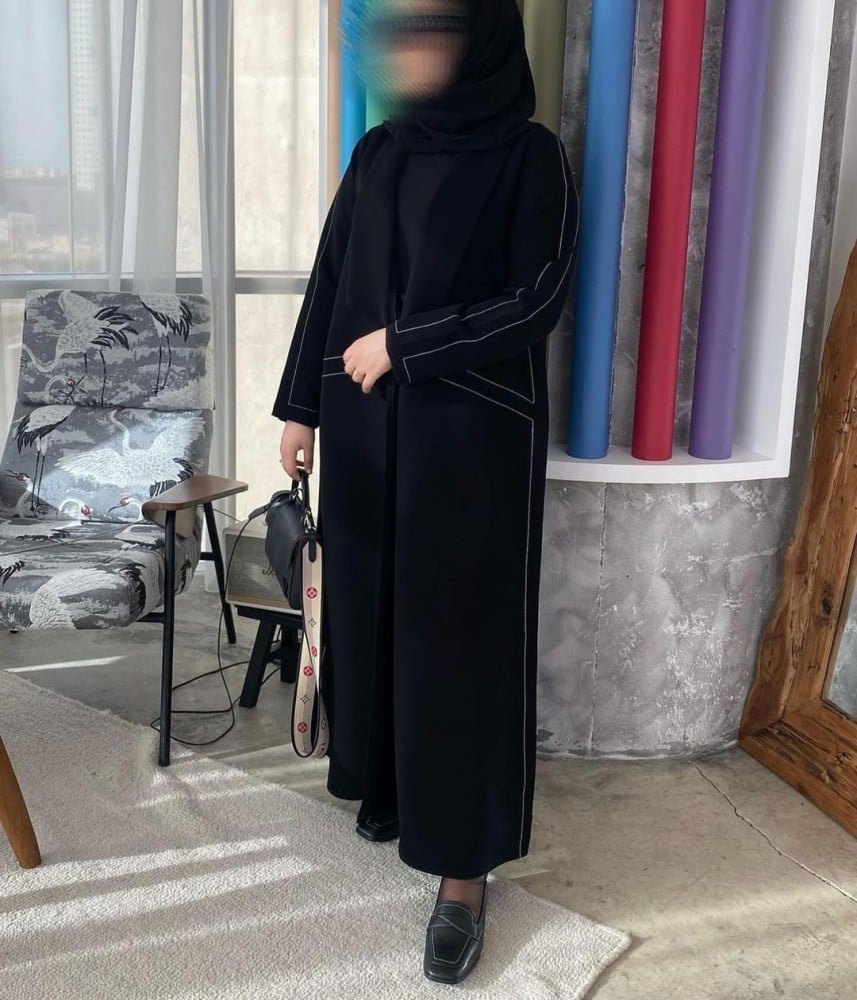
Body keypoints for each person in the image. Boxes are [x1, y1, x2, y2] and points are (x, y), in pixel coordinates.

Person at [273, 0, 579, 984]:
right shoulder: (380, 152)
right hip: (365, 439)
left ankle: (462, 868)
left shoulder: (530, 157)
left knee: (458, 649)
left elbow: (536, 298)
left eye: (432, 31)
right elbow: (330, 285)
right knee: (374, 625)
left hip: (469, 448)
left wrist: (407, 346)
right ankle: (393, 792)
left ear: (480, 38)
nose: (409, 53)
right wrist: (298, 409)